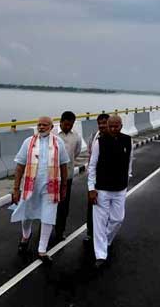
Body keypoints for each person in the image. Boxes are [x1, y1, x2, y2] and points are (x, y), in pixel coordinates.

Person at [10, 116, 70, 263]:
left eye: (44, 125)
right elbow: (19, 166)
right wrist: (16, 188)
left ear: (51, 127)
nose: (41, 127)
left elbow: (64, 165)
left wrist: (64, 187)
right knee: (26, 215)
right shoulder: (28, 142)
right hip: (31, 186)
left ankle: (42, 250)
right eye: (39, 125)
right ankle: (25, 236)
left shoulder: (58, 143)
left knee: (48, 217)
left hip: (51, 186)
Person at [87, 115, 133, 268]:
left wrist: (128, 178)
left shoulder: (128, 140)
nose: (113, 129)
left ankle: (105, 241)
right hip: (102, 189)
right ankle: (100, 255)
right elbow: (92, 166)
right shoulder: (99, 142)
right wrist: (91, 188)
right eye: (111, 126)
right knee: (99, 222)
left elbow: (129, 161)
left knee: (117, 219)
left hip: (120, 188)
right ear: (107, 125)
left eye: (116, 126)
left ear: (121, 125)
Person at [53, 111, 82, 243]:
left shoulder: (76, 136)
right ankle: (45, 230)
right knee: (48, 205)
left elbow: (76, 153)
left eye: (70, 125)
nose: (68, 127)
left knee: (63, 206)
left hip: (67, 177)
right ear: (61, 121)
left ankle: (60, 231)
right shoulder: (52, 133)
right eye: (66, 124)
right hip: (51, 177)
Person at [84, 113, 109, 243]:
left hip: (109, 179)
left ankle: (106, 232)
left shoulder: (114, 138)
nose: (102, 126)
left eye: (104, 123)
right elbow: (89, 155)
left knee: (107, 208)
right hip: (94, 178)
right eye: (100, 123)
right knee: (92, 206)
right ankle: (90, 232)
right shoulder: (94, 137)